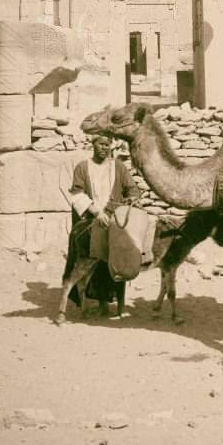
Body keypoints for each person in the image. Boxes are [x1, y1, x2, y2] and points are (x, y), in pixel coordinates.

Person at [62, 134, 139, 316]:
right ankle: (88, 301)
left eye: (108, 145)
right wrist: (97, 212)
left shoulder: (118, 167)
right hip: (91, 218)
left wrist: (133, 197)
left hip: (114, 220)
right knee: (91, 257)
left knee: (117, 259)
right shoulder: (83, 167)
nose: (105, 148)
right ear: (93, 144)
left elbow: (132, 188)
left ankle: (110, 303)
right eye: (102, 144)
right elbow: (77, 194)